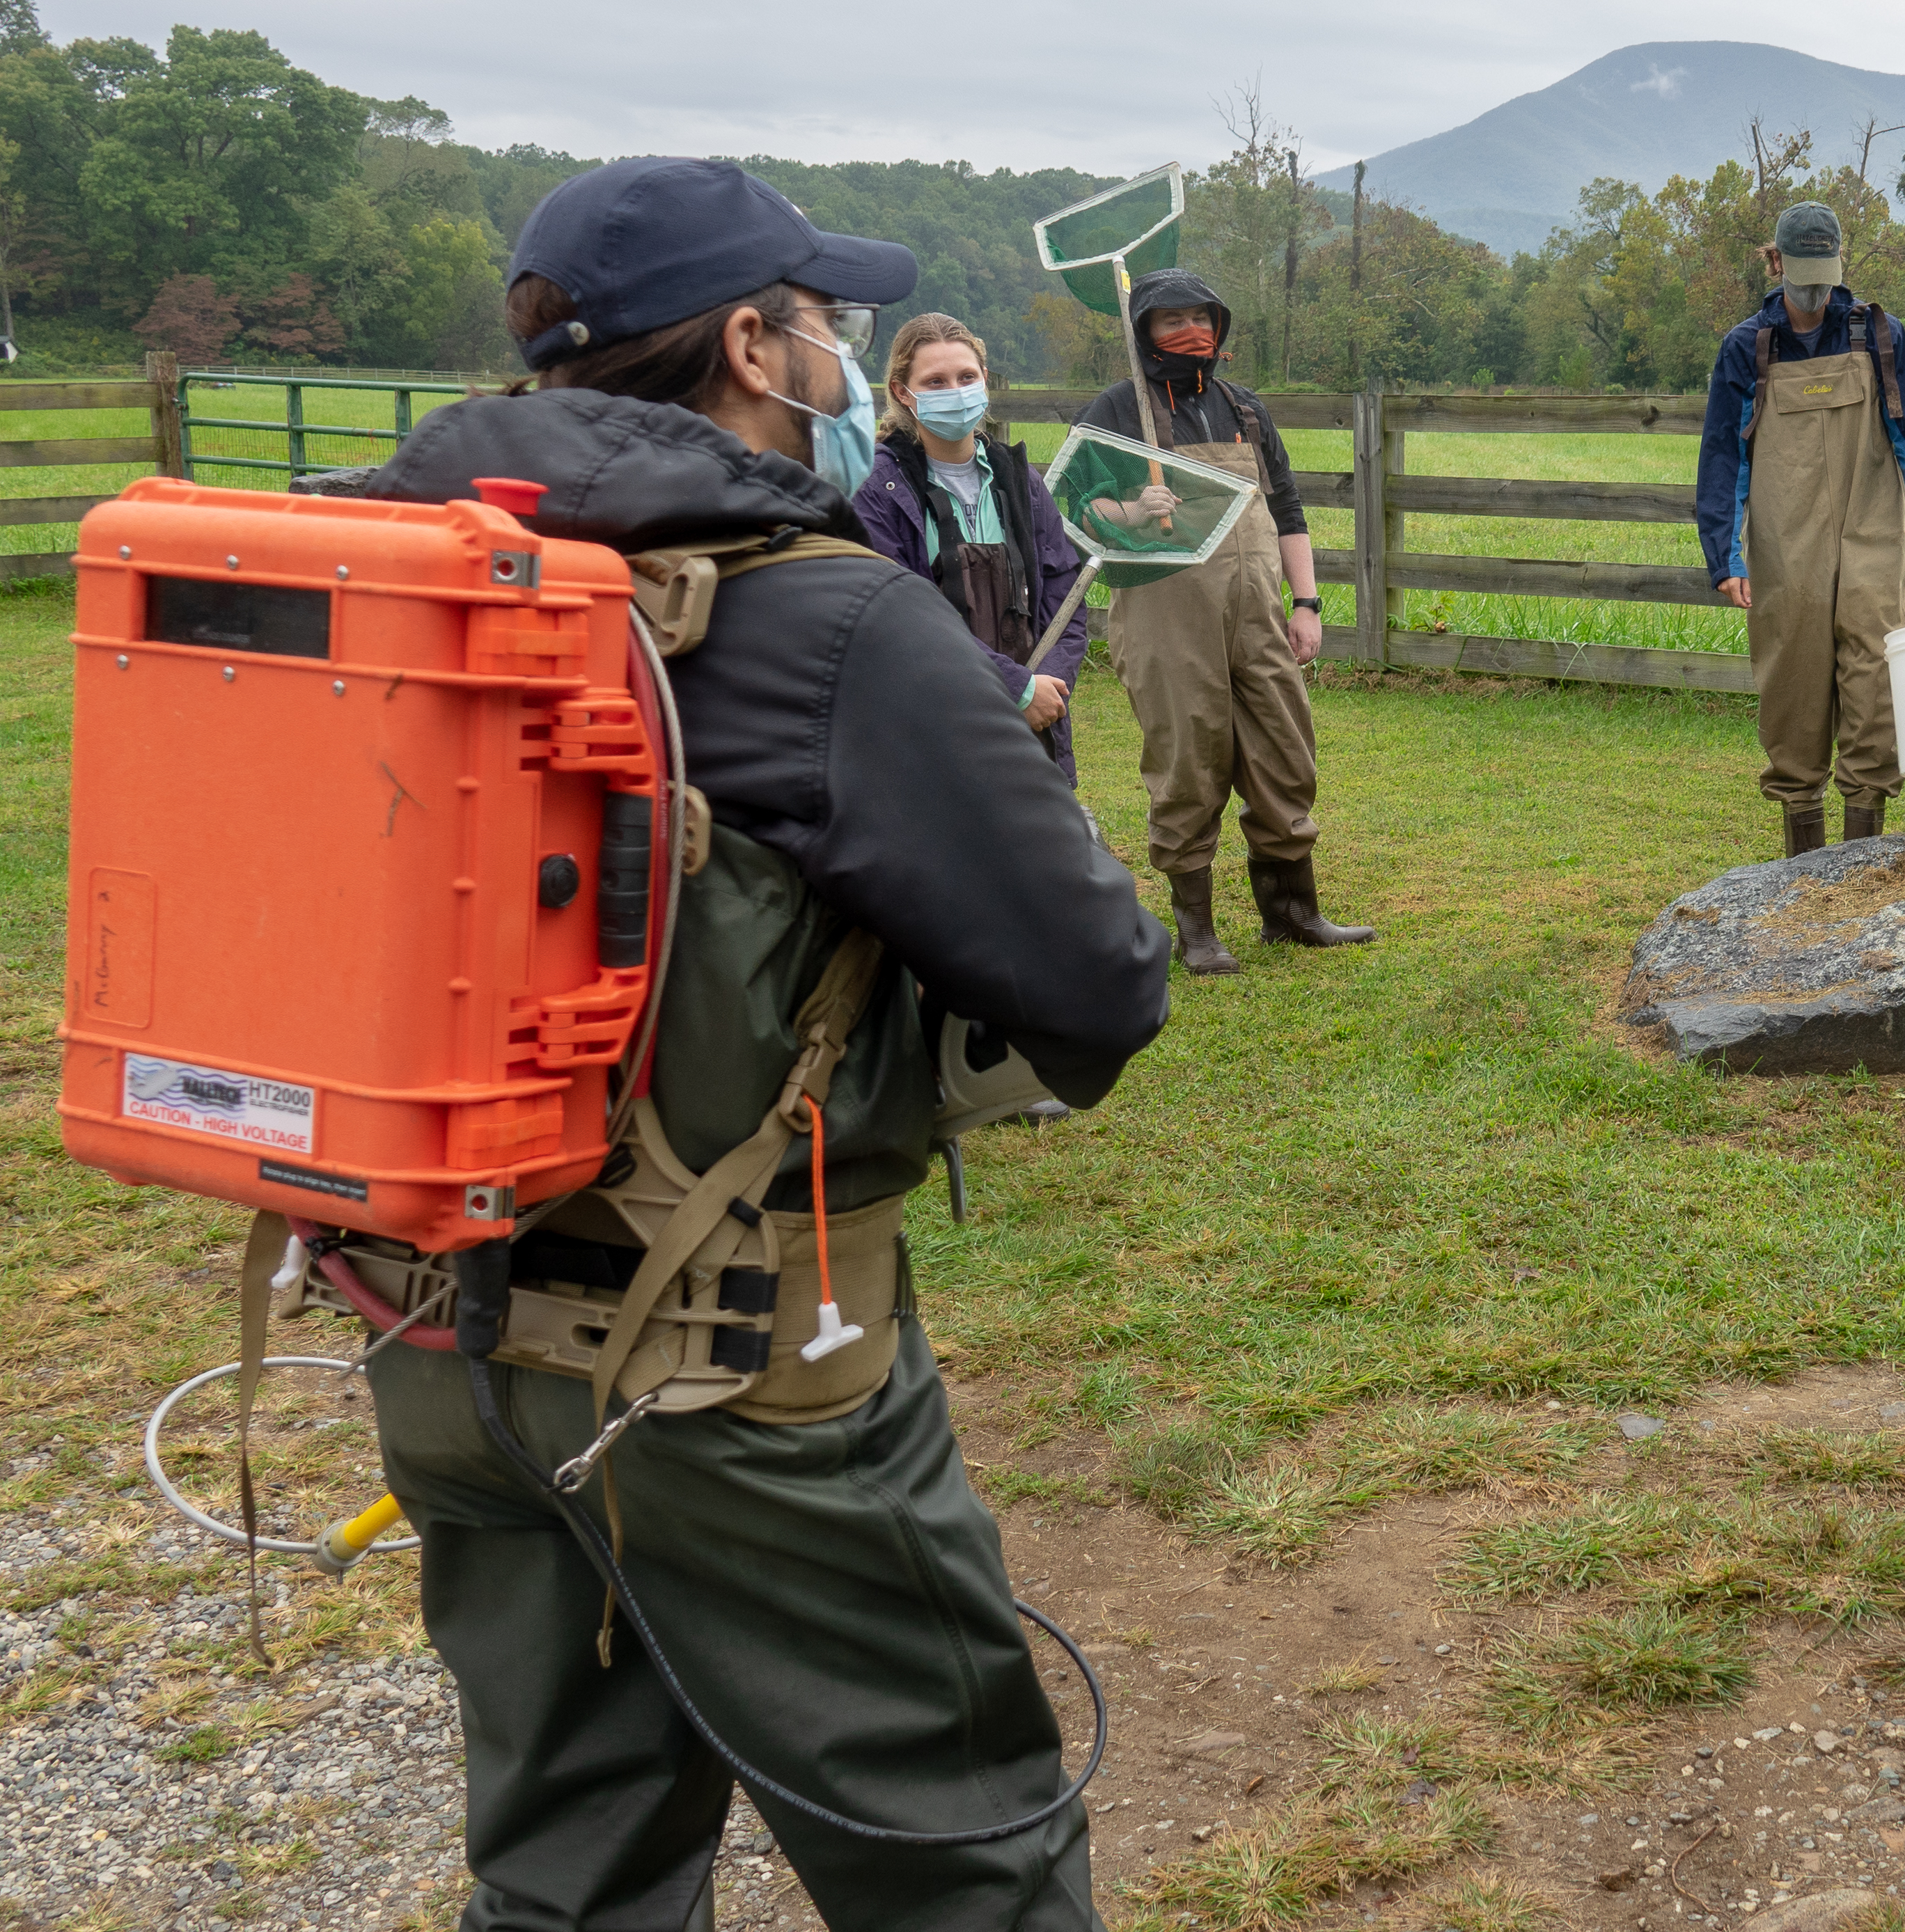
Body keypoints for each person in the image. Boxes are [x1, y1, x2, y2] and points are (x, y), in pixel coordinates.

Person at [352, 157, 1170, 1930]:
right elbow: (1099, 977)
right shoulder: (828, 616)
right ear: (752, 343)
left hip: (432, 1331)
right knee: (959, 1848)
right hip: (738, 1373)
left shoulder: (382, 579)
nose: (856, 365)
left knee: (568, 1855)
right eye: (834, 330)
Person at [1076, 267, 1372, 975]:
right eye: (1171, 319)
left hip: (1254, 609)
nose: (1192, 330)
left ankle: (1292, 914)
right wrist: (1129, 512)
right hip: (1163, 615)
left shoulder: (1245, 408)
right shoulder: (1118, 410)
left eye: (1203, 315)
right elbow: (1074, 511)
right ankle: (1199, 932)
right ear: (1144, 331)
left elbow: (1289, 510)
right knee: (1189, 761)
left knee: (1285, 747)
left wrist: (1305, 604)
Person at [1694, 202, 1905, 855]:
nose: (1814, 288)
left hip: (1874, 536)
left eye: (1825, 272)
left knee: (1877, 688)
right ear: (1775, 262)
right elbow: (1724, 458)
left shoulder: (1880, 337)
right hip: (1787, 547)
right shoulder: (1747, 348)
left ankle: (1860, 863)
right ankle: (1802, 867)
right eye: (1801, 272)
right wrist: (1725, 557)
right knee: (1794, 688)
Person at [852, 313, 1093, 789]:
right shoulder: (879, 490)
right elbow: (902, 619)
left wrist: (1047, 688)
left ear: (984, 380)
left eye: (966, 377)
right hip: (931, 719)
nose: (955, 391)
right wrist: (1014, 689)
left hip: (1034, 725)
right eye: (935, 381)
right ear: (903, 392)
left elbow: (1066, 595)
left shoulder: (1019, 481)